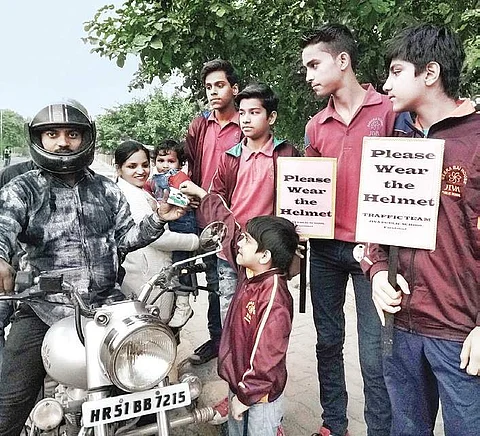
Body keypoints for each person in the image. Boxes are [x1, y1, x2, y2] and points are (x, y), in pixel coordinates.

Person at [0, 100, 185, 436]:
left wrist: (159, 218)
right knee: (8, 403)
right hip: (44, 307)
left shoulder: (106, 190)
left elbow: (126, 238)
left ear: (86, 138)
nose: (63, 142)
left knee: (145, 391)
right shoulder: (23, 189)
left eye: (72, 133)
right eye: (52, 134)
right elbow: (4, 226)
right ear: (38, 140)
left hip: (106, 306)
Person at [361, 24, 480, 436]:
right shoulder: (398, 137)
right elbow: (378, 223)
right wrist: (376, 272)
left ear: (430, 73)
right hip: (399, 327)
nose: (386, 84)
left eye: (396, 71)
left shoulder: (477, 140)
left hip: (460, 334)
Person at [301, 24, 411, 436]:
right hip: (325, 252)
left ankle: (379, 429)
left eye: (315, 64)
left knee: (375, 352)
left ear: (342, 60)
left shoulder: (391, 110)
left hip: (376, 252)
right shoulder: (315, 126)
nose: (308, 75)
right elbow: (308, 191)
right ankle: (334, 424)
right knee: (327, 342)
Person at [181, 180, 299, 436]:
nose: (240, 244)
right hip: (240, 384)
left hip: (259, 394)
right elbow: (229, 227)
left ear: (265, 256)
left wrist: (244, 397)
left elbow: (267, 358)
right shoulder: (251, 274)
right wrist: (203, 195)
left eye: (248, 241)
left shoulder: (274, 297)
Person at [210, 82, 300, 321]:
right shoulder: (229, 157)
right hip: (231, 250)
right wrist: (229, 237)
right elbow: (217, 202)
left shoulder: (287, 154)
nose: (246, 119)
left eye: (254, 112)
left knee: (266, 314)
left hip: (267, 253)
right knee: (230, 314)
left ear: (271, 117)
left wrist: (293, 250)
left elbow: (299, 204)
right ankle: (230, 359)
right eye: (242, 113)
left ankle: (260, 359)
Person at [185, 59, 243, 365]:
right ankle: (217, 341)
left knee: (234, 284)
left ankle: (237, 346)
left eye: (219, 85)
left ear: (234, 89)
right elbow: (193, 165)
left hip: (234, 219)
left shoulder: (245, 124)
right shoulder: (200, 125)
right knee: (213, 283)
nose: (213, 92)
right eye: (208, 87)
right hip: (204, 218)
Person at [114, 139, 199, 323]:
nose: (140, 171)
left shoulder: (141, 189)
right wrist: (195, 242)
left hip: (151, 274)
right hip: (144, 277)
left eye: (144, 165)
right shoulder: (128, 195)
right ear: (119, 168)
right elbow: (156, 237)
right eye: (132, 166)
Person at [147, 139, 198, 328]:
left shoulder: (176, 176)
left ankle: (184, 305)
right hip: (168, 225)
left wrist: (191, 195)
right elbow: (145, 191)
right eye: (161, 160)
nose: (165, 165)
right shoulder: (152, 180)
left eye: (171, 161)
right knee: (170, 267)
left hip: (182, 225)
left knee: (181, 266)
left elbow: (185, 185)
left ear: (180, 163)